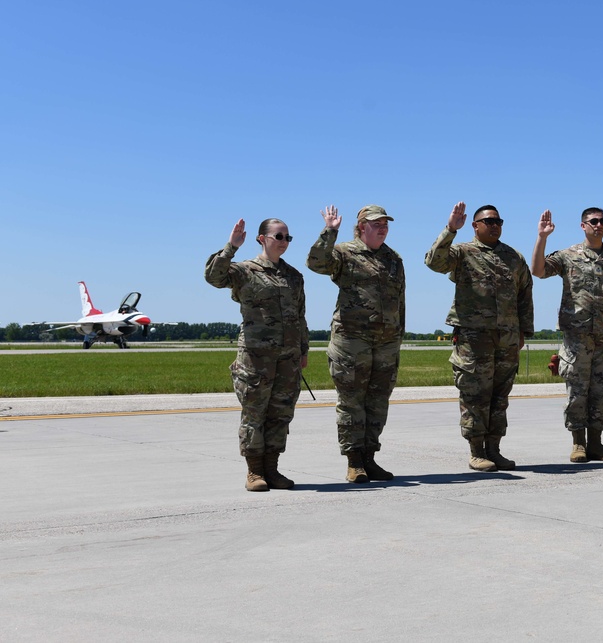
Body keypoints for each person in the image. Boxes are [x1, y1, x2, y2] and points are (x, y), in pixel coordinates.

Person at [425, 202, 534, 472]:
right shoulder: (462, 252)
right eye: (489, 221)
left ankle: (494, 450)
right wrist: (451, 229)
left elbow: (525, 295)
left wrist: (523, 331)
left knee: (499, 397)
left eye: (498, 221)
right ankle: (476, 452)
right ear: (475, 226)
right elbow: (433, 262)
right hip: (474, 340)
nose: (495, 225)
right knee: (475, 396)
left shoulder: (514, 257)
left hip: (506, 339)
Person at [205, 218, 309, 491]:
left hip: (288, 358)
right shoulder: (245, 271)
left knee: (280, 414)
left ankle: (272, 470)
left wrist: (303, 350)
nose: (284, 242)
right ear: (262, 238)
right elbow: (214, 278)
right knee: (254, 413)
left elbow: (300, 317)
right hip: (255, 357)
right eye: (278, 236)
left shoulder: (294, 276)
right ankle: (254, 472)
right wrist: (230, 247)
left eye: (288, 237)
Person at [307, 205, 405, 484]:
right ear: (362, 226)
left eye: (386, 223)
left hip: (386, 343)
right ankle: (354, 462)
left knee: (377, 403)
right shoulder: (344, 252)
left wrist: (399, 335)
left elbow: (401, 300)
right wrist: (330, 231)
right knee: (352, 403)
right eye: (376, 223)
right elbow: (316, 263)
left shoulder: (393, 259)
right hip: (352, 341)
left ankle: (370, 458)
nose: (383, 227)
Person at [531, 208, 603, 462]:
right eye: (593, 221)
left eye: (602, 221)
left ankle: (596, 444)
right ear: (583, 225)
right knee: (577, 392)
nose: (599, 225)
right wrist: (542, 238)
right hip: (577, 338)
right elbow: (538, 270)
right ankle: (578, 444)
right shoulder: (568, 256)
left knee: (601, 392)